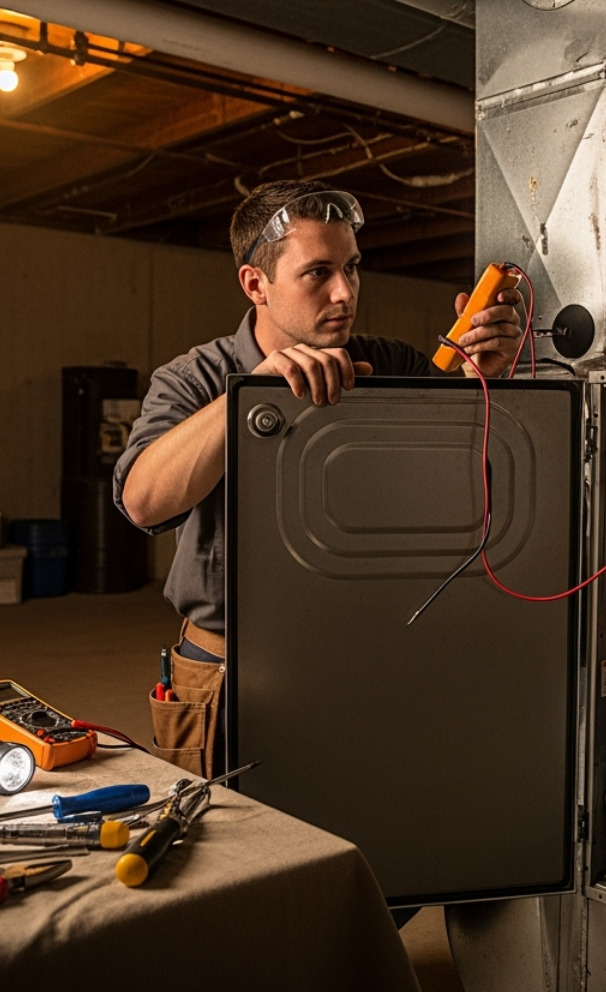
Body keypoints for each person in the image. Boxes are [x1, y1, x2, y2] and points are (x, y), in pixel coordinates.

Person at [113, 179, 522, 776]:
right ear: (256, 284)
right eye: (318, 272)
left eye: (353, 268)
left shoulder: (393, 365)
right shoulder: (195, 377)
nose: (345, 292)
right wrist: (248, 399)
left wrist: (480, 384)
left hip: (364, 656)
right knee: (233, 849)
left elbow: (458, 494)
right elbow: (143, 502)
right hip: (228, 673)